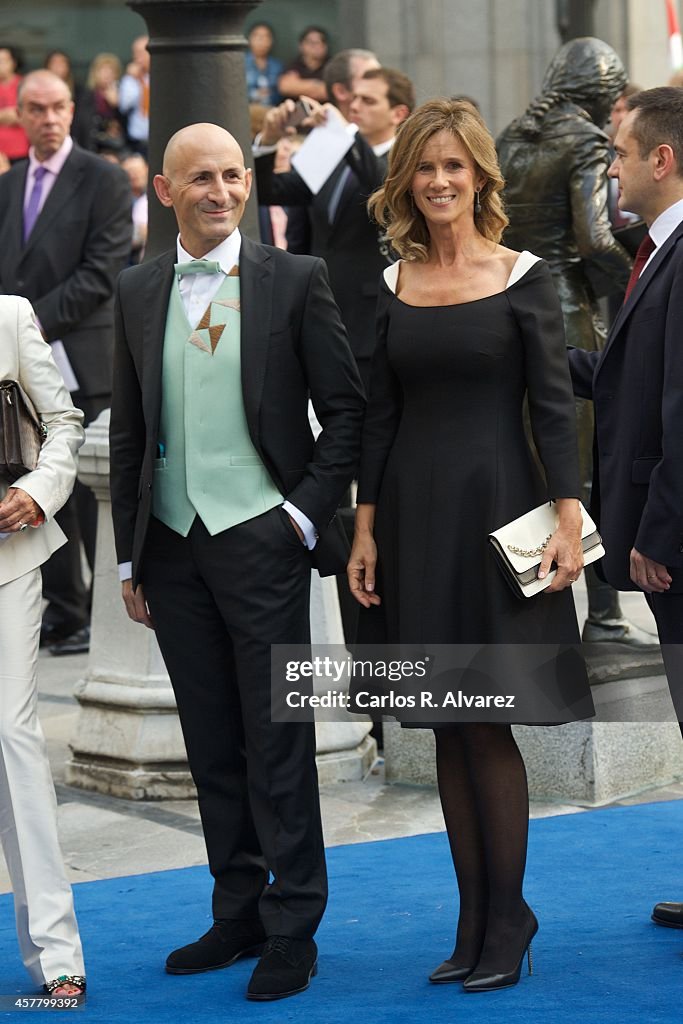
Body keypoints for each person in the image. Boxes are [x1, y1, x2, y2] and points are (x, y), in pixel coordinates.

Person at [109, 122, 364, 1001]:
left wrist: (298, 518)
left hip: (262, 538)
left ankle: (295, 925)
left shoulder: (295, 280)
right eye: (202, 179)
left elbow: (346, 412)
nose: (222, 191)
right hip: (172, 548)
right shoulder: (138, 288)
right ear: (166, 192)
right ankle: (238, 909)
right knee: (212, 741)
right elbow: (132, 432)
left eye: (233, 176)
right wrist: (128, 562)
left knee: (276, 739)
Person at [348, 99, 594, 992]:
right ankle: (474, 917)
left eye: (454, 165)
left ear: (480, 176)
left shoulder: (524, 275)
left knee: (484, 721)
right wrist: (365, 529)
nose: (440, 180)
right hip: (412, 521)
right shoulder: (389, 284)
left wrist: (569, 520)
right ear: (406, 181)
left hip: (499, 517)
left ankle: (510, 914)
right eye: (424, 167)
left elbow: (553, 409)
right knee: (444, 727)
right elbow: (378, 414)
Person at [567, 85, 683, 933]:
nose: (610, 165)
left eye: (619, 151)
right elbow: (630, 383)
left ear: (662, 159)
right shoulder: (654, 253)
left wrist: (657, 527)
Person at [497, 37, 657, 648]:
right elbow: (593, 238)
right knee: (581, 470)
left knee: (533, 466)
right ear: (602, 95)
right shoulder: (586, 142)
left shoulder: (512, 136)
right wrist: (644, 285)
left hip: (514, 309)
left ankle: (537, 617)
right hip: (566, 312)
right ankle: (606, 618)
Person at [0, 70, 132, 654]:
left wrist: (22, 325)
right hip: (13, 371)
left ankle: (84, 611)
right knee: (27, 479)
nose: (48, 118)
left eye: (57, 107)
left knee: (79, 487)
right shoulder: (10, 184)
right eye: (36, 108)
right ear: (20, 115)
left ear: (72, 109)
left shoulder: (102, 179)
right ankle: (61, 606)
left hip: (76, 350)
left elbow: (100, 273)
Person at [0, 294, 86, 997]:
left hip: (7, 557)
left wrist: (40, 488)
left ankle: (56, 953)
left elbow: (63, 420)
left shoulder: (8, 316)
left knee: (11, 736)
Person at [255, 66, 414, 389]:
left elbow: (381, 186)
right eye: (353, 98)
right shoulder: (333, 151)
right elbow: (273, 191)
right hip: (323, 313)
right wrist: (269, 142)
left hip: (373, 321)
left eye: (368, 101)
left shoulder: (406, 161)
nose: (355, 107)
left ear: (398, 113)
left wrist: (345, 133)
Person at [278, 26, 329, 103]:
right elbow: (285, 87)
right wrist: (317, 85)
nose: (316, 46)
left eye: (320, 42)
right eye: (311, 42)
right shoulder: (294, 64)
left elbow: (328, 92)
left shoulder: (332, 65)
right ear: (301, 46)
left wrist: (299, 85)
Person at [119, 35, 150, 156]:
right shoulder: (130, 80)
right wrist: (135, 80)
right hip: (136, 141)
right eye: (135, 53)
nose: (138, 58)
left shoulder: (162, 76)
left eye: (142, 53)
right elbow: (124, 105)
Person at [0, 45, 28, 162]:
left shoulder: (25, 84)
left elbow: (27, 114)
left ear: (14, 63)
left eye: (3, 60)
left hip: (20, 151)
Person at [245, 23, 283, 107]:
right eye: (257, 36)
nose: (262, 40)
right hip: (246, 109)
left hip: (271, 110)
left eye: (267, 36)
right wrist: (255, 94)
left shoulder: (277, 66)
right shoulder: (241, 63)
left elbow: (280, 93)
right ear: (249, 39)